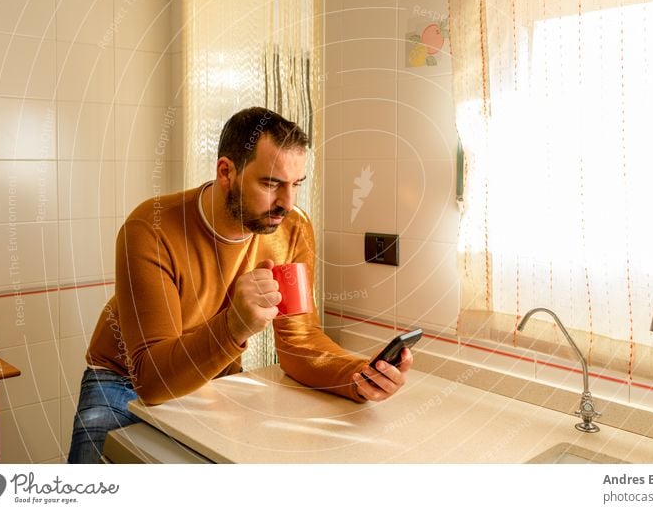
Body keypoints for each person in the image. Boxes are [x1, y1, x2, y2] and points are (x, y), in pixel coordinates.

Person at [67, 107, 413, 463]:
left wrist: (356, 375)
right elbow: (152, 381)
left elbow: (299, 343)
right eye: (270, 183)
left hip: (216, 377)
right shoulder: (150, 228)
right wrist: (234, 326)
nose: (287, 204)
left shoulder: (292, 228)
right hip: (122, 377)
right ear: (226, 172)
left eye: (296, 184)